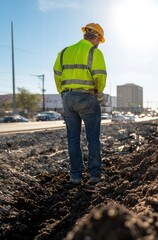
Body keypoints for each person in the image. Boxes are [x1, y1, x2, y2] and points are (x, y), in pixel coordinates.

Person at [53, 23, 107, 187]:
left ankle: (75, 176)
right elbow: (100, 77)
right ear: (97, 37)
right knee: (93, 139)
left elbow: (57, 75)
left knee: (73, 140)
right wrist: (98, 94)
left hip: (68, 98)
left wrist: (63, 93)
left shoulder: (63, 52)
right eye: (100, 40)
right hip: (87, 97)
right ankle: (94, 176)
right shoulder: (94, 52)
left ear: (85, 34)